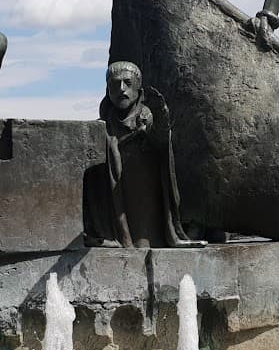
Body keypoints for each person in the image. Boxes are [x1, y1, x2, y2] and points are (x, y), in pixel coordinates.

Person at [82, 61, 203, 249]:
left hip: (145, 194)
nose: (121, 89)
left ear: (138, 87)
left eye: (127, 83)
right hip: (115, 200)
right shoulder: (102, 126)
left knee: (144, 243)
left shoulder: (147, 118)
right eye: (115, 84)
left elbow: (160, 139)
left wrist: (161, 120)